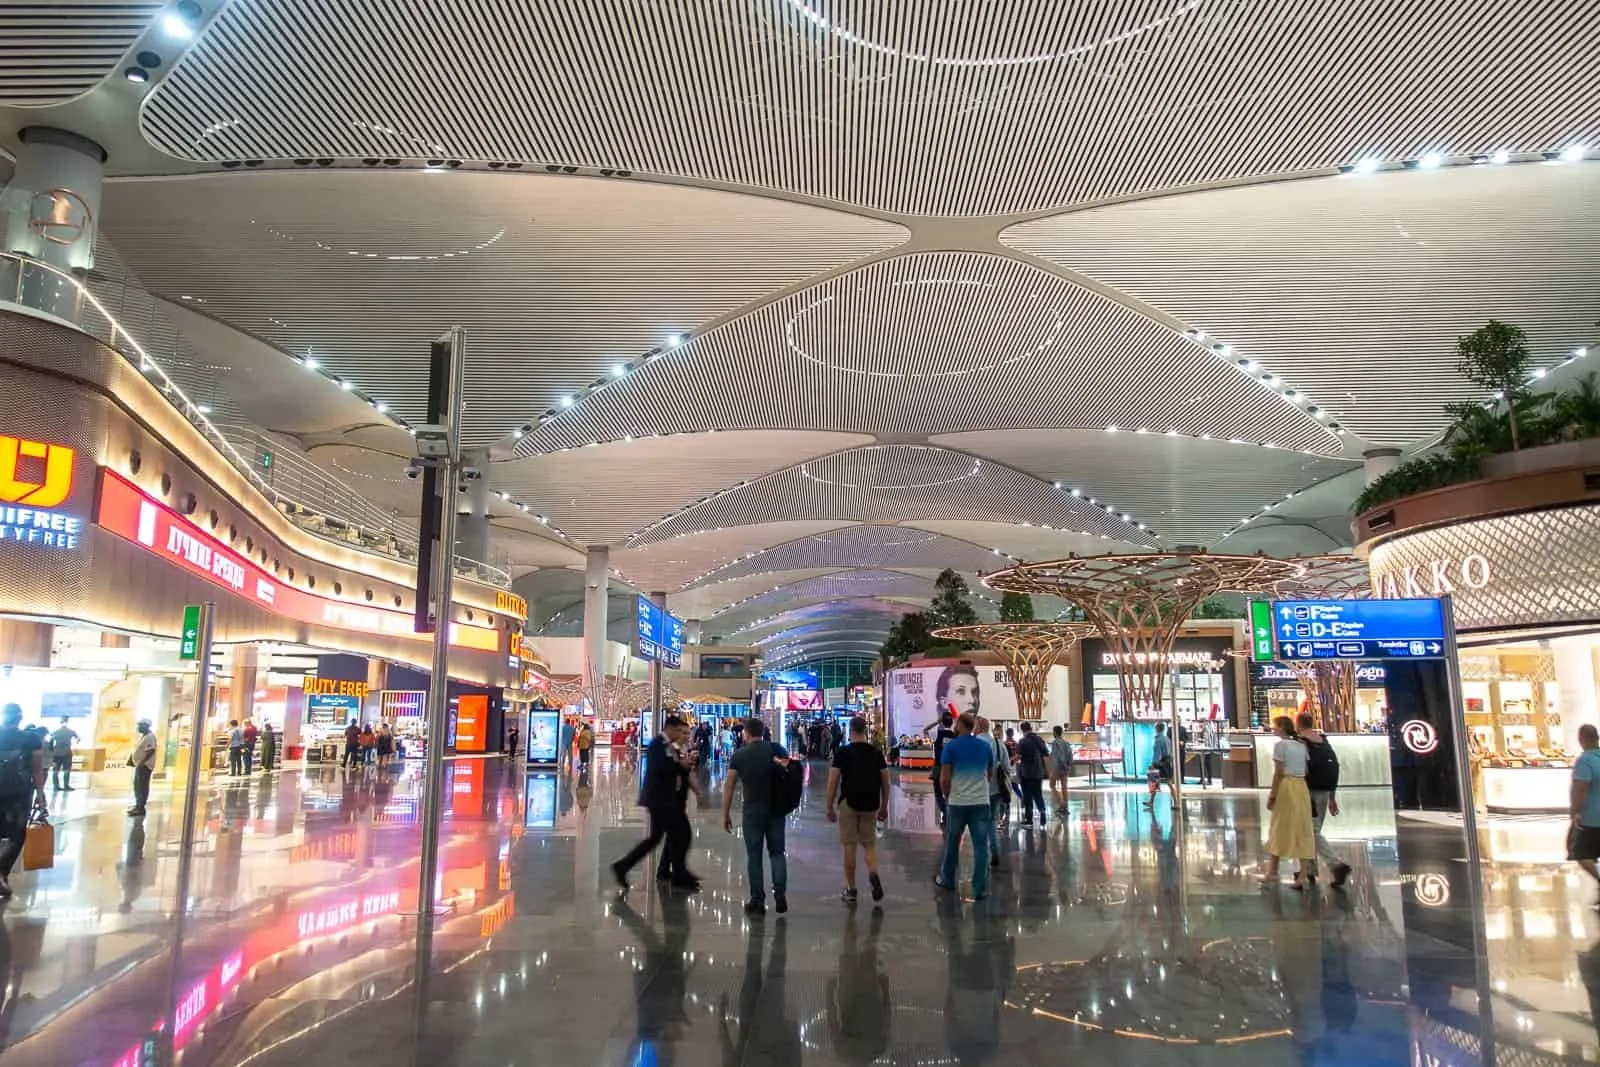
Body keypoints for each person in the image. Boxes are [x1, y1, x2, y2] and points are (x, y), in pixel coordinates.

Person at [611, 715, 700, 893]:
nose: (680, 735)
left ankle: (675, 873)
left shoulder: (665, 745)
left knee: (672, 836)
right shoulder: (657, 744)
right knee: (675, 835)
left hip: (666, 799)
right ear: (671, 729)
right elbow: (661, 768)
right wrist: (680, 764)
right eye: (678, 731)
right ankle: (675, 874)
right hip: (659, 800)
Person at [723, 717, 791, 916]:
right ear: (763, 732)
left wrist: (725, 813)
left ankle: (757, 900)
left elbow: (729, 787)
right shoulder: (776, 750)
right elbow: (790, 772)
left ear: (745, 733)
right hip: (776, 810)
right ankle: (779, 893)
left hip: (752, 811)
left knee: (754, 855)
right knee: (777, 852)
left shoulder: (739, 755)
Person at [826, 716, 889, 904]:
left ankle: (851, 889)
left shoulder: (843, 752)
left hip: (849, 802)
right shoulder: (876, 753)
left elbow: (833, 781)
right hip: (871, 803)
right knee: (869, 844)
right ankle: (873, 873)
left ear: (850, 730)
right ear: (865, 730)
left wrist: (829, 806)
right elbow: (885, 781)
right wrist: (884, 806)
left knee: (849, 846)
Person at [935, 712, 995, 899]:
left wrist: (947, 797)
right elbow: (989, 773)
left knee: (953, 843)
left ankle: (947, 879)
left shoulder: (951, 748)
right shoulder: (985, 747)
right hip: (980, 802)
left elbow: (944, 779)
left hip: (958, 802)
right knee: (980, 846)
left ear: (960, 725)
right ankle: (980, 888)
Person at [1297, 711, 1354, 888]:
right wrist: (1332, 797)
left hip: (1309, 791)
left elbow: (1303, 769)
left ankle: (1336, 865)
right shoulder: (1323, 740)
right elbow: (1334, 766)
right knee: (1312, 831)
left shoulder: (1301, 742)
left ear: (1298, 723)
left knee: (1311, 832)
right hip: (1324, 790)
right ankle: (1309, 870)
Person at [1263, 716, 1318, 889]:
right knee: (1303, 829)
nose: (1273, 729)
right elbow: (1307, 769)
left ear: (1281, 728)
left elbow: (1278, 773)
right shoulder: (1301, 746)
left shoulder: (1280, 746)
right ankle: (1302, 875)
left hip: (1286, 786)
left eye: (1275, 726)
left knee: (1279, 826)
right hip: (1301, 787)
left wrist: (1272, 795)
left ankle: (1273, 871)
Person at [0, 705, 46, 898]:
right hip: (19, 794)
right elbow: (37, 770)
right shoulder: (31, 739)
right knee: (17, 835)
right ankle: (1, 872)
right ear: (20, 719)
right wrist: (40, 795)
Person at [1570, 724, 1600, 904]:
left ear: (1581, 739)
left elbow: (1580, 788)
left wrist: (1575, 811)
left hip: (1592, 817)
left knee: (1580, 853)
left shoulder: (1585, 761)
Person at [923, 711, 956, 828]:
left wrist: (937, 722)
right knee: (949, 793)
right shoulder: (956, 736)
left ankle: (945, 812)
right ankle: (948, 814)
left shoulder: (937, 734)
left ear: (942, 721)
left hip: (938, 768)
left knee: (938, 793)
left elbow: (925, 730)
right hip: (952, 769)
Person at [1014, 722, 1050, 828]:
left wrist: (1012, 760)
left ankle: (1029, 820)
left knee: (1028, 796)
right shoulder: (1039, 739)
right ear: (1030, 728)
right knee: (1038, 794)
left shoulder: (1023, 741)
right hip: (1038, 772)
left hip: (1026, 772)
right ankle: (1042, 812)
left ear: (1022, 730)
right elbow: (1046, 753)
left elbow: (1019, 756)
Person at [1145, 723, 1178, 808]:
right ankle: (1176, 802)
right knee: (1169, 783)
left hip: (1160, 763)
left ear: (1157, 729)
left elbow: (1157, 754)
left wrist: (1153, 764)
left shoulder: (1158, 740)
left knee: (1153, 781)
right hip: (1167, 762)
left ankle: (1151, 802)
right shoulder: (1167, 738)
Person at [128, 718, 156, 817]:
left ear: (146, 726)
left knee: (142, 787)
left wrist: (142, 762)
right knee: (137, 786)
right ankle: (138, 805)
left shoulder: (150, 737)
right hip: (140, 765)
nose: (138, 727)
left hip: (144, 766)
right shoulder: (144, 737)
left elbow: (150, 750)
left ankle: (140, 807)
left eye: (140, 725)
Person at [48, 717, 79, 792]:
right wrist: (76, 741)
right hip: (66, 753)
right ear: (67, 722)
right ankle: (66, 785)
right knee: (66, 769)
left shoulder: (56, 732)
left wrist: (52, 751)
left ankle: (56, 786)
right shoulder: (70, 731)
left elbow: (50, 743)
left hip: (57, 753)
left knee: (56, 770)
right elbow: (78, 739)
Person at [1048, 725, 1072, 812]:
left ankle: (1061, 802)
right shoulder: (1066, 743)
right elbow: (1070, 756)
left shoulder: (1055, 743)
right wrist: (1068, 766)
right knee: (1064, 786)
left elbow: (1059, 756)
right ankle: (1065, 804)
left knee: (1052, 784)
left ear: (1055, 732)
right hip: (1065, 768)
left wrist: (1061, 764)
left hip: (1057, 767)